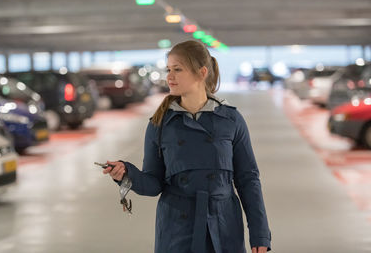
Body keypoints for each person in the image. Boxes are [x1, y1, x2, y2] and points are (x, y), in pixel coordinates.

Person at [103, 40, 272, 253]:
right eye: (168, 70)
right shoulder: (160, 123)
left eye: (177, 69)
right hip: (177, 229)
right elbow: (153, 184)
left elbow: (248, 179)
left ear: (201, 72)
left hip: (223, 226)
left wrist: (260, 233)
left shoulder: (230, 119)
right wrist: (126, 174)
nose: (169, 77)